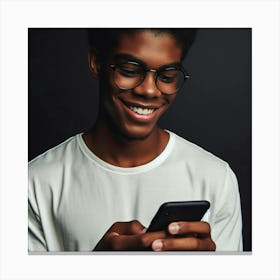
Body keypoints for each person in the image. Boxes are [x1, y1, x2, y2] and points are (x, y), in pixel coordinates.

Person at [28, 28, 243, 252]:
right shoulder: (34, 183)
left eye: (167, 76)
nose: (149, 90)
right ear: (96, 62)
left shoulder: (216, 178)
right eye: (130, 71)